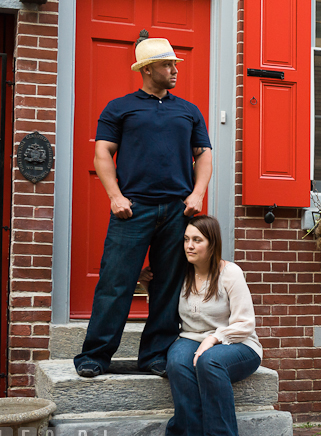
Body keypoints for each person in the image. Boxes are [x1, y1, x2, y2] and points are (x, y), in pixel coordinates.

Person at [73, 37, 213, 378]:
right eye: (168, 65)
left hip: (177, 212)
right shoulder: (119, 108)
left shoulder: (189, 110)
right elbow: (103, 152)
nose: (175, 70)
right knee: (115, 282)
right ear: (147, 69)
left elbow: (204, 154)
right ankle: (95, 355)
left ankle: (155, 355)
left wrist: (197, 195)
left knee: (167, 286)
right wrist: (115, 196)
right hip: (133, 210)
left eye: (175, 64)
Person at [139, 215, 262, 436]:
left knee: (210, 361)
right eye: (186, 239)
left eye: (197, 240)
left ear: (212, 244)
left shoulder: (230, 273)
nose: (189, 246)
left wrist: (214, 338)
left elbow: (245, 323)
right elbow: (166, 313)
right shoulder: (180, 273)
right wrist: (149, 287)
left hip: (237, 344)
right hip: (191, 338)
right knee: (177, 361)